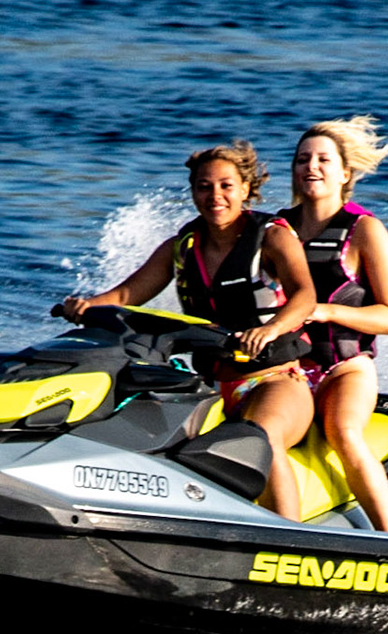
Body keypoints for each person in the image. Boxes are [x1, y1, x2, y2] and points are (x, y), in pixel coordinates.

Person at [61, 141, 316, 519]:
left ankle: (292, 540)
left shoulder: (273, 237)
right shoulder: (182, 246)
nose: (215, 195)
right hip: (209, 386)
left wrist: (274, 328)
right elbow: (129, 293)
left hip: (274, 380)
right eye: (204, 186)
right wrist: (87, 306)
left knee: (260, 439)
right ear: (193, 190)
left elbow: (305, 296)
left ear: (246, 189)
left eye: (227, 185)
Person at [279, 116, 388, 532]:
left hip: (343, 369)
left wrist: (324, 310)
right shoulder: (274, 228)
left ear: (345, 173)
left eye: (322, 159)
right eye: (302, 159)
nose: (310, 167)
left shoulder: (364, 230)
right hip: (283, 370)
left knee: (343, 431)